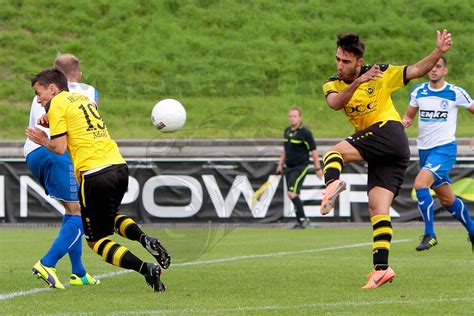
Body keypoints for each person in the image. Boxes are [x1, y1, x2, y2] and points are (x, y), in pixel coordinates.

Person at [321, 30, 452, 288]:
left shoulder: (380, 72)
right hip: (383, 149)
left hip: (389, 133)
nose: (339, 65)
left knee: (333, 153)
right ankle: (382, 269)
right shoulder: (333, 83)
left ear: (359, 62)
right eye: (338, 59)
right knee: (377, 208)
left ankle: (332, 184)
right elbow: (335, 103)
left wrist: (438, 52)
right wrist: (358, 82)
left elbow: (415, 70)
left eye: (346, 61)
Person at [26, 68, 171, 293]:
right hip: (118, 166)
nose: (38, 98)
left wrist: (43, 139)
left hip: (94, 174)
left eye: (39, 92)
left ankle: (146, 269)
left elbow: (59, 147)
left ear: (52, 88)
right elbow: (77, 126)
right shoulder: (82, 99)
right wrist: (51, 120)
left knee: (96, 241)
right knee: (110, 217)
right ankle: (144, 239)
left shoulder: (55, 104)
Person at [25, 54, 100, 289]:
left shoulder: (43, 93)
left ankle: (78, 272)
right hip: (55, 152)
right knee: (79, 211)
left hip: (34, 153)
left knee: (71, 209)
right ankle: (47, 263)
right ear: (79, 73)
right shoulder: (87, 91)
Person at [402, 56, 474, 251]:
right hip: (425, 151)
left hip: (445, 150)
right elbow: (409, 115)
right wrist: (405, 122)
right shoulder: (419, 92)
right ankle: (473, 231)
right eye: (431, 67)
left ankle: (430, 234)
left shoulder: (455, 92)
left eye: (438, 67)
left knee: (420, 183)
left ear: (445, 71)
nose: (434, 70)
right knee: (447, 199)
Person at [276, 107, 323, 229]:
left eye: (295, 116)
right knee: (293, 194)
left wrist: (318, 169)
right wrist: (280, 164)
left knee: (292, 193)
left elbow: (313, 152)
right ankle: (301, 220)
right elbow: (285, 150)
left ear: (300, 118)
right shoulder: (287, 131)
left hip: (300, 167)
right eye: (290, 116)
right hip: (288, 167)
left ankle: (302, 219)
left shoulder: (305, 133)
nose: (292, 118)